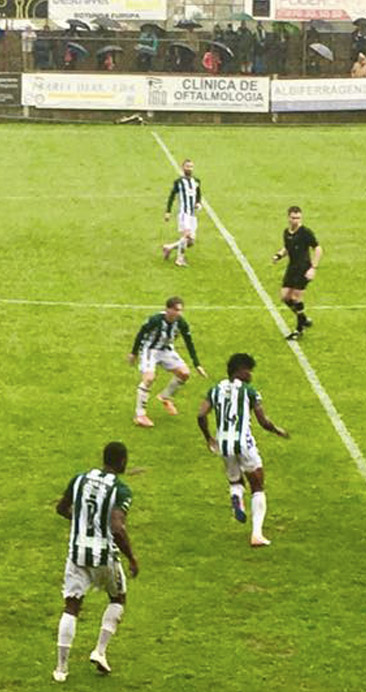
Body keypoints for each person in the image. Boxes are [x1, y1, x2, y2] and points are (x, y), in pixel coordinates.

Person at [52, 442, 138, 682]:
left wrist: (79, 519)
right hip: (104, 556)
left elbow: (61, 508)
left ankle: (61, 669)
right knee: (118, 598)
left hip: (76, 553)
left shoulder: (79, 479)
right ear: (121, 462)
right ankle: (99, 651)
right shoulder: (120, 490)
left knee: (71, 607)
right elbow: (117, 527)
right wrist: (132, 557)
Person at [197, 353, 289, 545]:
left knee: (235, 482)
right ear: (240, 371)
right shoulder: (249, 391)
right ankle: (256, 534)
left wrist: (208, 437)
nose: (251, 375)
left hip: (223, 444)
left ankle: (236, 499)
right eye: (249, 370)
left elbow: (200, 414)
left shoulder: (215, 390)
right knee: (258, 486)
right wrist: (277, 430)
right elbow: (263, 422)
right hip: (244, 443)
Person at [127, 297, 206, 428]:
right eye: (175, 310)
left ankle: (165, 397)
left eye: (180, 310)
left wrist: (197, 364)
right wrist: (134, 353)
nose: (178, 313)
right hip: (150, 350)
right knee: (149, 378)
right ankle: (140, 415)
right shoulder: (156, 320)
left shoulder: (181, 323)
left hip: (166, 351)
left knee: (185, 373)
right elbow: (141, 333)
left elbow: (189, 342)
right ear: (167, 309)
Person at [271, 205, 321, 341]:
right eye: (293, 218)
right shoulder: (286, 232)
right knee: (285, 297)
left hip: (303, 269)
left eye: (298, 218)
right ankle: (303, 318)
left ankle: (299, 330)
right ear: (288, 218)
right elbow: (288, 247)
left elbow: (318, 249)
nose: (296, 220)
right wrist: (278, 255)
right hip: (292, 267)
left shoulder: (305, 232)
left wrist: (313, 268)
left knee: (297, 298)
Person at [161, 158, 201, 267]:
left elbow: (198, 194)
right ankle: (180, 259)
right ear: (183, 168)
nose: (189, 168)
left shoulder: (196, 181)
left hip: (192, 215)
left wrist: (198, 203)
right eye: (187, 166)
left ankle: (168, 247)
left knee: (190, 242)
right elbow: (171, 196)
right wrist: (168, 211)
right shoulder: (178, 182)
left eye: (191, 166)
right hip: (184, 214)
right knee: (186, 235)